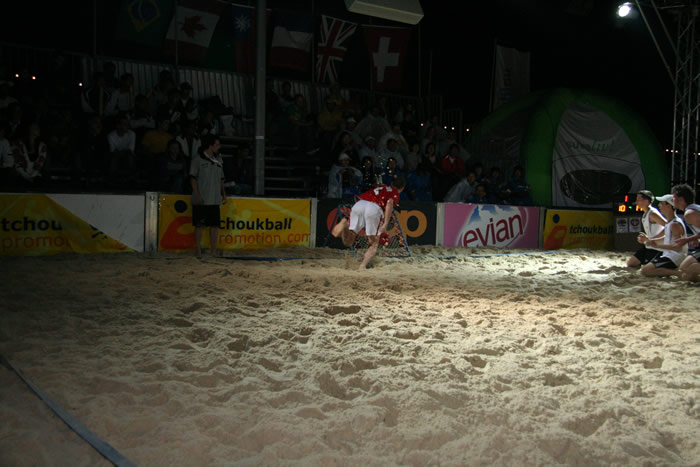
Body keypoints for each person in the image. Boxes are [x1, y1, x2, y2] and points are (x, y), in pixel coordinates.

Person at [331, 176, 406, 269]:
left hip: (360, 204)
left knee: (349, 241)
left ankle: (345, 225)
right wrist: (386, 223)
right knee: (374, 243)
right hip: (374, 208)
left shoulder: (382, 186)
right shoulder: (395, 193)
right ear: (402, 188)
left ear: (392, 183)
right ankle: (362, 266)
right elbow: (390, 203)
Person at [190, 134, 226, 258]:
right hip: (202, 197)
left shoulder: (218, 160)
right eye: (217, 144)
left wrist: (223, 193)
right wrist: (196, 194)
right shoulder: (198, 159)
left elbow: (221, 179)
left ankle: (213, 250)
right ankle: (198, 249)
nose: (219, 147)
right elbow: (193, 178)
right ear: (210, 145)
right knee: (199, 225)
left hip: (215, 198)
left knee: (215, 225)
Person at [640, 194, 687, 277]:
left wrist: (657, 245)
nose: (659, 205)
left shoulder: (674, 224)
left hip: (675, 256)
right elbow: (667, 238)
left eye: (661, 203)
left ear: (669, 206)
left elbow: (678, 247)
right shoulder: (670, 222)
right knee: (645, 269)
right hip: (669, 254)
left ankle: (678, 273)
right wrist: (650, 241)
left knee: (645, 271)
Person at [626, 190, 667, 268]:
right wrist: (644, 239)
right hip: (649, 246)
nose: (637, 202)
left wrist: (654, 239)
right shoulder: (646, 213)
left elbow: (668, 226)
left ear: (647, 201)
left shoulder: (652, 214)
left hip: (657, 248)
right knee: (631, 263)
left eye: (639, 200)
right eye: (637, 200)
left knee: (646, 269)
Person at [676, 204, 700, 281]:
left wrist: (688, 239)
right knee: (686, 274)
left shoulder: (690, 213)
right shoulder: (691, 211)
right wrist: (695, 238)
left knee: (685, 268)